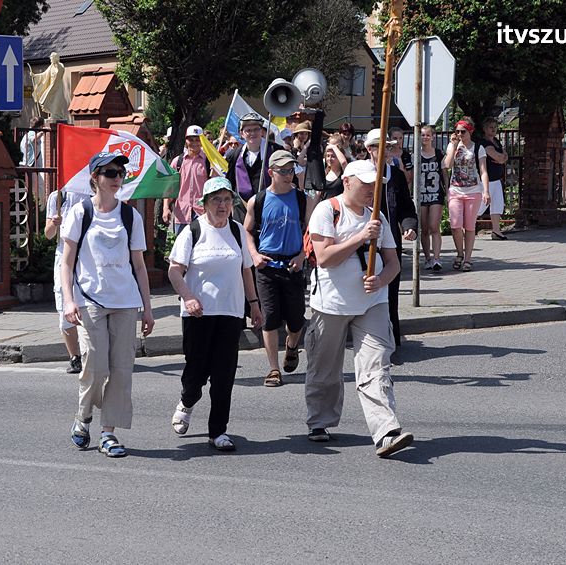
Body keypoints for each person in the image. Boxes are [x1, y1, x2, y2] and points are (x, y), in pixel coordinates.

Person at [304, 159, 413, 458]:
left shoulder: (378, 218)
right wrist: (360, 238)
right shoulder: (328, 210)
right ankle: (320, 421)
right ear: (347, 181)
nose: (371, 190)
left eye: (374, 185)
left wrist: (380, 282)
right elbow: (325, 257)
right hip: (331, 303)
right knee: (325, 368)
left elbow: (393, 264)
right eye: (365, 184)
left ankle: (386, 431)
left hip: (372, 304)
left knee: (376, 366)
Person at [60, 152, 155, 457]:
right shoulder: (80, 212)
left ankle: (108, 433)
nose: (117, 178)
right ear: (95, 178)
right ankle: (83, 414)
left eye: (120, 173)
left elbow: (139, 266)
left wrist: (148, 308)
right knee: (96, 367)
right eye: (110, 172)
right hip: (91, 302)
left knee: (122, 370)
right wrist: (69, 300)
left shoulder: (130, 216)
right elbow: (67, 262)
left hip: (125, 302)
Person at [168, 177, 263, 451]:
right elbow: (175, 270)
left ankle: (218, 431)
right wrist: (188, 297)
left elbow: (246, 269)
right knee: (196, 373)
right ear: (205, 204)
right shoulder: (193, 231)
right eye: (216, 200)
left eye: (226, 200)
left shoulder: (236, 232)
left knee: (224, 375)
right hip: (198, 314)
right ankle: (186, 402)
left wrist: (254, 304)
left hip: (230, 313)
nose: (222, 205)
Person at [243, 150, 308, 387]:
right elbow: (247, 231)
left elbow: (312, 232)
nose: (288, 175)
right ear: (271, 172)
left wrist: (303, 255)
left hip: (293, 265)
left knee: (297, 319)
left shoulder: (302, 199)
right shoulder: (257, 200)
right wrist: (254, 255)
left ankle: (291, 346)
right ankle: (273, 369)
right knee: (270, 318)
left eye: (291, 170)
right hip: (267, 265)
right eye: (283, 171)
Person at [364, 128, 418, 354]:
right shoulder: (359, 172)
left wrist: (409, 226)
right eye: (380, 146)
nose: (385, 151)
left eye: (388, 146)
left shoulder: (395, 175)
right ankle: (365, 340)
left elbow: (406, 206)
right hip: (363, 243)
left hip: (389, 243)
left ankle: (392, 342)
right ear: (369, 149)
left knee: (390, 291)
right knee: (365, 291)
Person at [45, 187, 90, 374]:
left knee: (90, 307)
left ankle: (92, 354)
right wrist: (54, 223)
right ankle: (75, 357)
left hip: (88, 258)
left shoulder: (92, 194)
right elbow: (48, 234)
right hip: (64, 257)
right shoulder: (58, 197)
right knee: (65, 308)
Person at [443, 118, 490, 272]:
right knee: (455, 225)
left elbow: (483, 171)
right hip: (455, 190)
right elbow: (447, 165)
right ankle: (459, 253)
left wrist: (486, 191)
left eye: (463, 131)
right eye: (457, 131)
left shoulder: (478, 148)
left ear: (470, 131)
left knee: (469, 226)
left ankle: (468, 258)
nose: (459, 134)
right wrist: (455, 146)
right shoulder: (453, 145)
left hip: (473, 191)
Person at [226, 112, 283, 223]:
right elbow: (230, 183)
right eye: (248, 130)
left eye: (256, 129)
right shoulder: (235, 155)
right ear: (241, 133)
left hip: (270, 209)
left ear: (262, 131)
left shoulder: (275, 150)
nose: (252, 133)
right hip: (242, 211)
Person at [163, 125, 210, 235]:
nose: (194, 143)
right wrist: (166, 207)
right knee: (181, 249)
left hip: (203, 213)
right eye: (191, 139)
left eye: (197, 139)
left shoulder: (208, 162)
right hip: (182, 213)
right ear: (186, 140)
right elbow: (169, 187)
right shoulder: (178, 161)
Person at [419, 125, 448, 271]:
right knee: (424, 229)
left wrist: (447, 191)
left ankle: (437, 258)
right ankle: (427, 258)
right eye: (423, 135)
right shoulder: (416, 155)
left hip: (436, 193)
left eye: (427, 135)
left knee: (434, 226)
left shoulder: (438, 154)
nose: (425, 138)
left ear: (433, 137)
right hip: (422, 195)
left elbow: (444, 174)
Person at [479, 117, 510, 240]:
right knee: (481, 205)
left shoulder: (496, 141)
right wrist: (501, 158)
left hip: (497, 179)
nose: (493, 129)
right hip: (487, 180)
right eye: (491, 127)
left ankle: (496, 230)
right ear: (485, 129)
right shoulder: (484, 143)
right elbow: (498, 157)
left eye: (495, 127)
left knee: (497, 204)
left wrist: (502, 157)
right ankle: (465, 226)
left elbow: (504, 156)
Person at [30, 52, 68, 121]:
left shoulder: (60, 65)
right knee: (46, 99)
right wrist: (35, 75)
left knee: (56, 102)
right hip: (51, 87)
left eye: (51, 58)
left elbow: (61, 70)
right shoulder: (51, 66)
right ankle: (53, 115)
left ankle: (56, 115)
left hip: (57, 88)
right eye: (50, 58)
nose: (50, 59)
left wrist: (57, 65)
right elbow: (44, 74)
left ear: (55, 58)